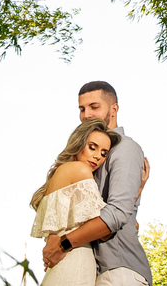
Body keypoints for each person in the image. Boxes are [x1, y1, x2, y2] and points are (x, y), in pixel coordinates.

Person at [41, 81, 153, 286]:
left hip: (118, 270)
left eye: (94, 107)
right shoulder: (82, 164)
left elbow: (118, 214)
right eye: (82, 109)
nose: (86, 115)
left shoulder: (125, 148)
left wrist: (63, 243)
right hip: (93, 269)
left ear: (114, 109)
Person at [30, 119, 123, 286]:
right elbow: (105, 229)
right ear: (79, 143)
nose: (97, 156)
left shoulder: (60, 174)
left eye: (104, 153)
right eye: (92, 147)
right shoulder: (80, 170)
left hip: (62, 264)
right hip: (75, 261)